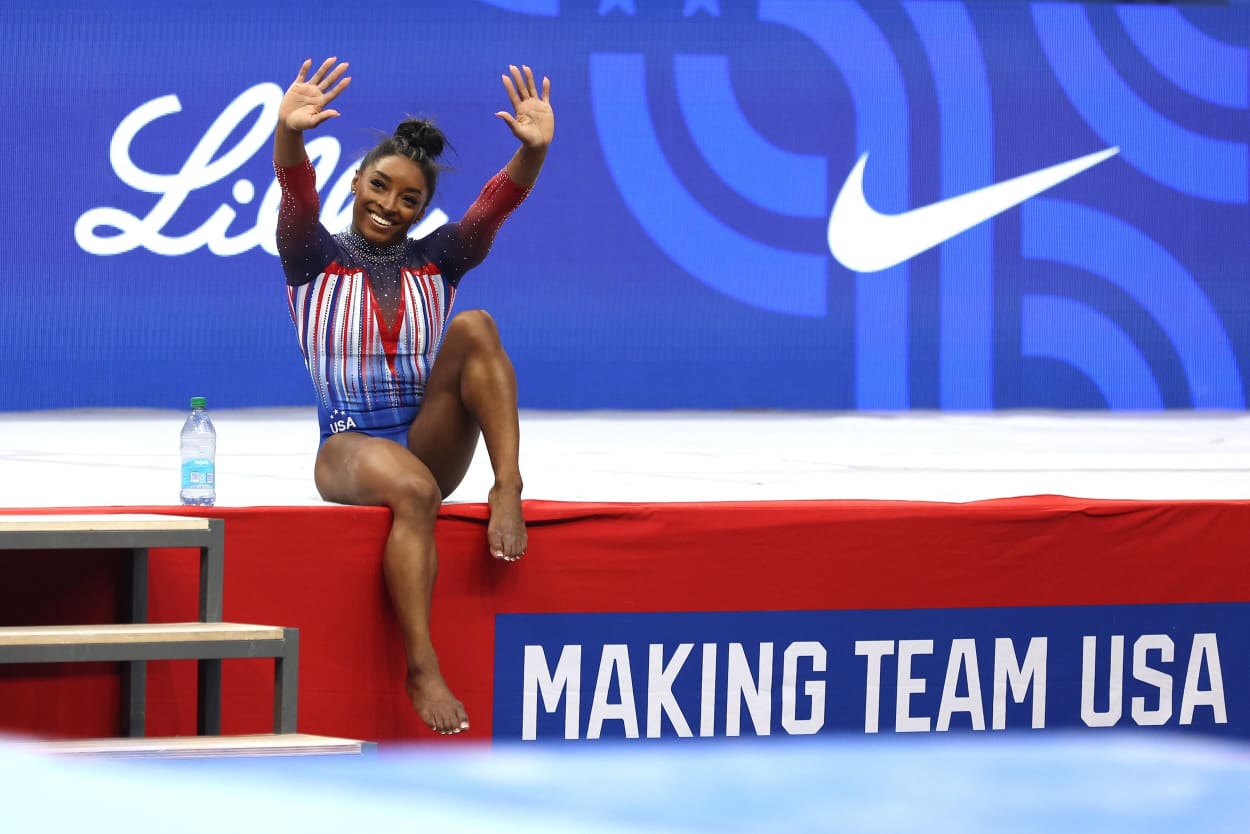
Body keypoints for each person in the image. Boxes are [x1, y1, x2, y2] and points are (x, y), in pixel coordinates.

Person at [272, 56, 553, 735]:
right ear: (356, 181)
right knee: (415, 492)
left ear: (424, 211)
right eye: (378, 187)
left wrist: (532, 151)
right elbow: (296, 193)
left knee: (477, 326)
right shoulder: (310, 253)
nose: (389, 205)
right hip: (347, 444)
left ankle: (507, 487)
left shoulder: (439, 260)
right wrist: (289, 134)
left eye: (409, 200)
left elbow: (496, 204)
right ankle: (422, 664)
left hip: (425, 439)